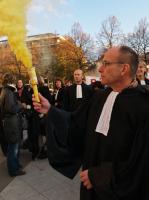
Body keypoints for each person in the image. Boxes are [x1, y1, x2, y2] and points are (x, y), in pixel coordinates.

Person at [33, 46, 149, 200]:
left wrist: (98, 177)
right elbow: (75, 123)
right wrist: (50, 110)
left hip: (117, 190)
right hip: (90, 185)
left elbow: (142, 163)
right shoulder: (99, 97)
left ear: (124, 69)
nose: (100, 69)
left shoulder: (144, 106)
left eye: (106, 63)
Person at [0, 73, 26, 177]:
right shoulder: (8, 92)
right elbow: (11, 109)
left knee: (14, 146)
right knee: (13, 147)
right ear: (11, 80)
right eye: (14, 80)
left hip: (11, 123)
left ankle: (16, 165)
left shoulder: (5, 91)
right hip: (12, 123)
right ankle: (13, 170)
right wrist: (21, 105)